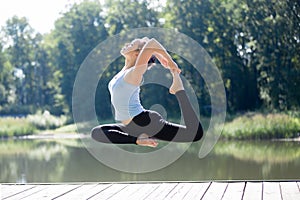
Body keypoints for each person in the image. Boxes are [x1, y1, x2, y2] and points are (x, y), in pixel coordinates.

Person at [91, 37, 203, 147]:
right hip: (132, 127)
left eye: (131, 45)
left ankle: (179, 90)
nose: (127, 45)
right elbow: (147, 41)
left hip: (146, 123)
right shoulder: (123, 71)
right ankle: (137, 140)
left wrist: (171, 62)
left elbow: (152, 43)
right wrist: (158, 54)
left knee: (194, 134)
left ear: (136, 54)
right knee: (96, 133)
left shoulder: (134, 73)